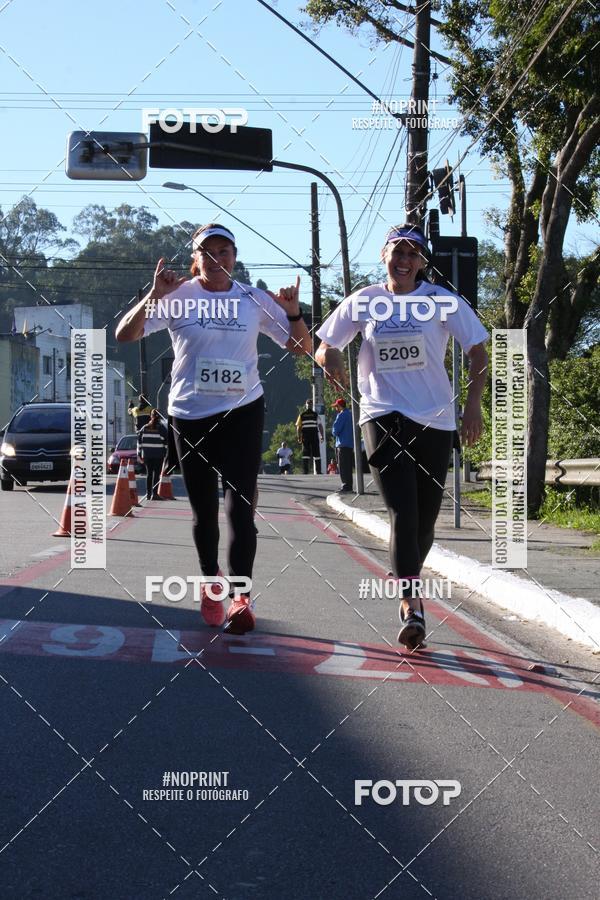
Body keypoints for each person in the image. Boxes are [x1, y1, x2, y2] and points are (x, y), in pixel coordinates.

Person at [116, 223, 310, 633]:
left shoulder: (252, 299)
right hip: (190, 415)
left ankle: (241, 597)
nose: (217, 258)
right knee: (203, 511)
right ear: (196, 260)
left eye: (225, 251)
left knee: (241, 510)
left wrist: (293, 312)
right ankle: (210, 580)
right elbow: (125, 334)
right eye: (208, 252)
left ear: (235, 258)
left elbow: (299, 348)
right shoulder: (177, 297)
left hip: (242, 410)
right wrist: (155, 295)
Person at [315, 223, 488, 650]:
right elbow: (324, 344)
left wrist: (472, 405)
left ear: (422, 261)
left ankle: (407, 577)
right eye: (398, 252)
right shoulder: (365, 301)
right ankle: (412, 605)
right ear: (384, 256)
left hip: (436, 419)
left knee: (425, 522)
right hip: (382, 415)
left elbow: (479, 351)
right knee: (403, 514)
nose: (404, 260)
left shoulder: (441, 301)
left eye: (413, 253)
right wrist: (332, 357)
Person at [137, 408, 168, 500]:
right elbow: (165, 442)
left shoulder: (144, 427)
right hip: (158, 455)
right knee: (156, 474)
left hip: (147, 455)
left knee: (149, 474)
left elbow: (139, 442)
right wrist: (165, 453)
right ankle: (155, 494)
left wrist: (139, 454)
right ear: (159, 417)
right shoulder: (161, 428)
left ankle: (148, 494)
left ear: (151, 416)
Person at [331, 397, 354, 493]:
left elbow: (335, 431)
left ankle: (345, 486)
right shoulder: (351, 414)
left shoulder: (341, 415)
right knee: (348, 466)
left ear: (340, 406)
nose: (336, 408)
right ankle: (349, 485)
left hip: (342, 444)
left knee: (343, 466)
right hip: (350, 444)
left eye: (336, 406)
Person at [296, 399, 324, 474]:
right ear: (311, 406)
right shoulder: (315, 414)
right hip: (314, 436)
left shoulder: (302, 415)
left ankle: (305, 471)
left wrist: (299, 437)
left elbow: (298, 427)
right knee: (316, 453)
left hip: (305, 437)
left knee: (305, 453)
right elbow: (320, 426)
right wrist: (322, 436)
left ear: (306, 406)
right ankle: (318, 471)